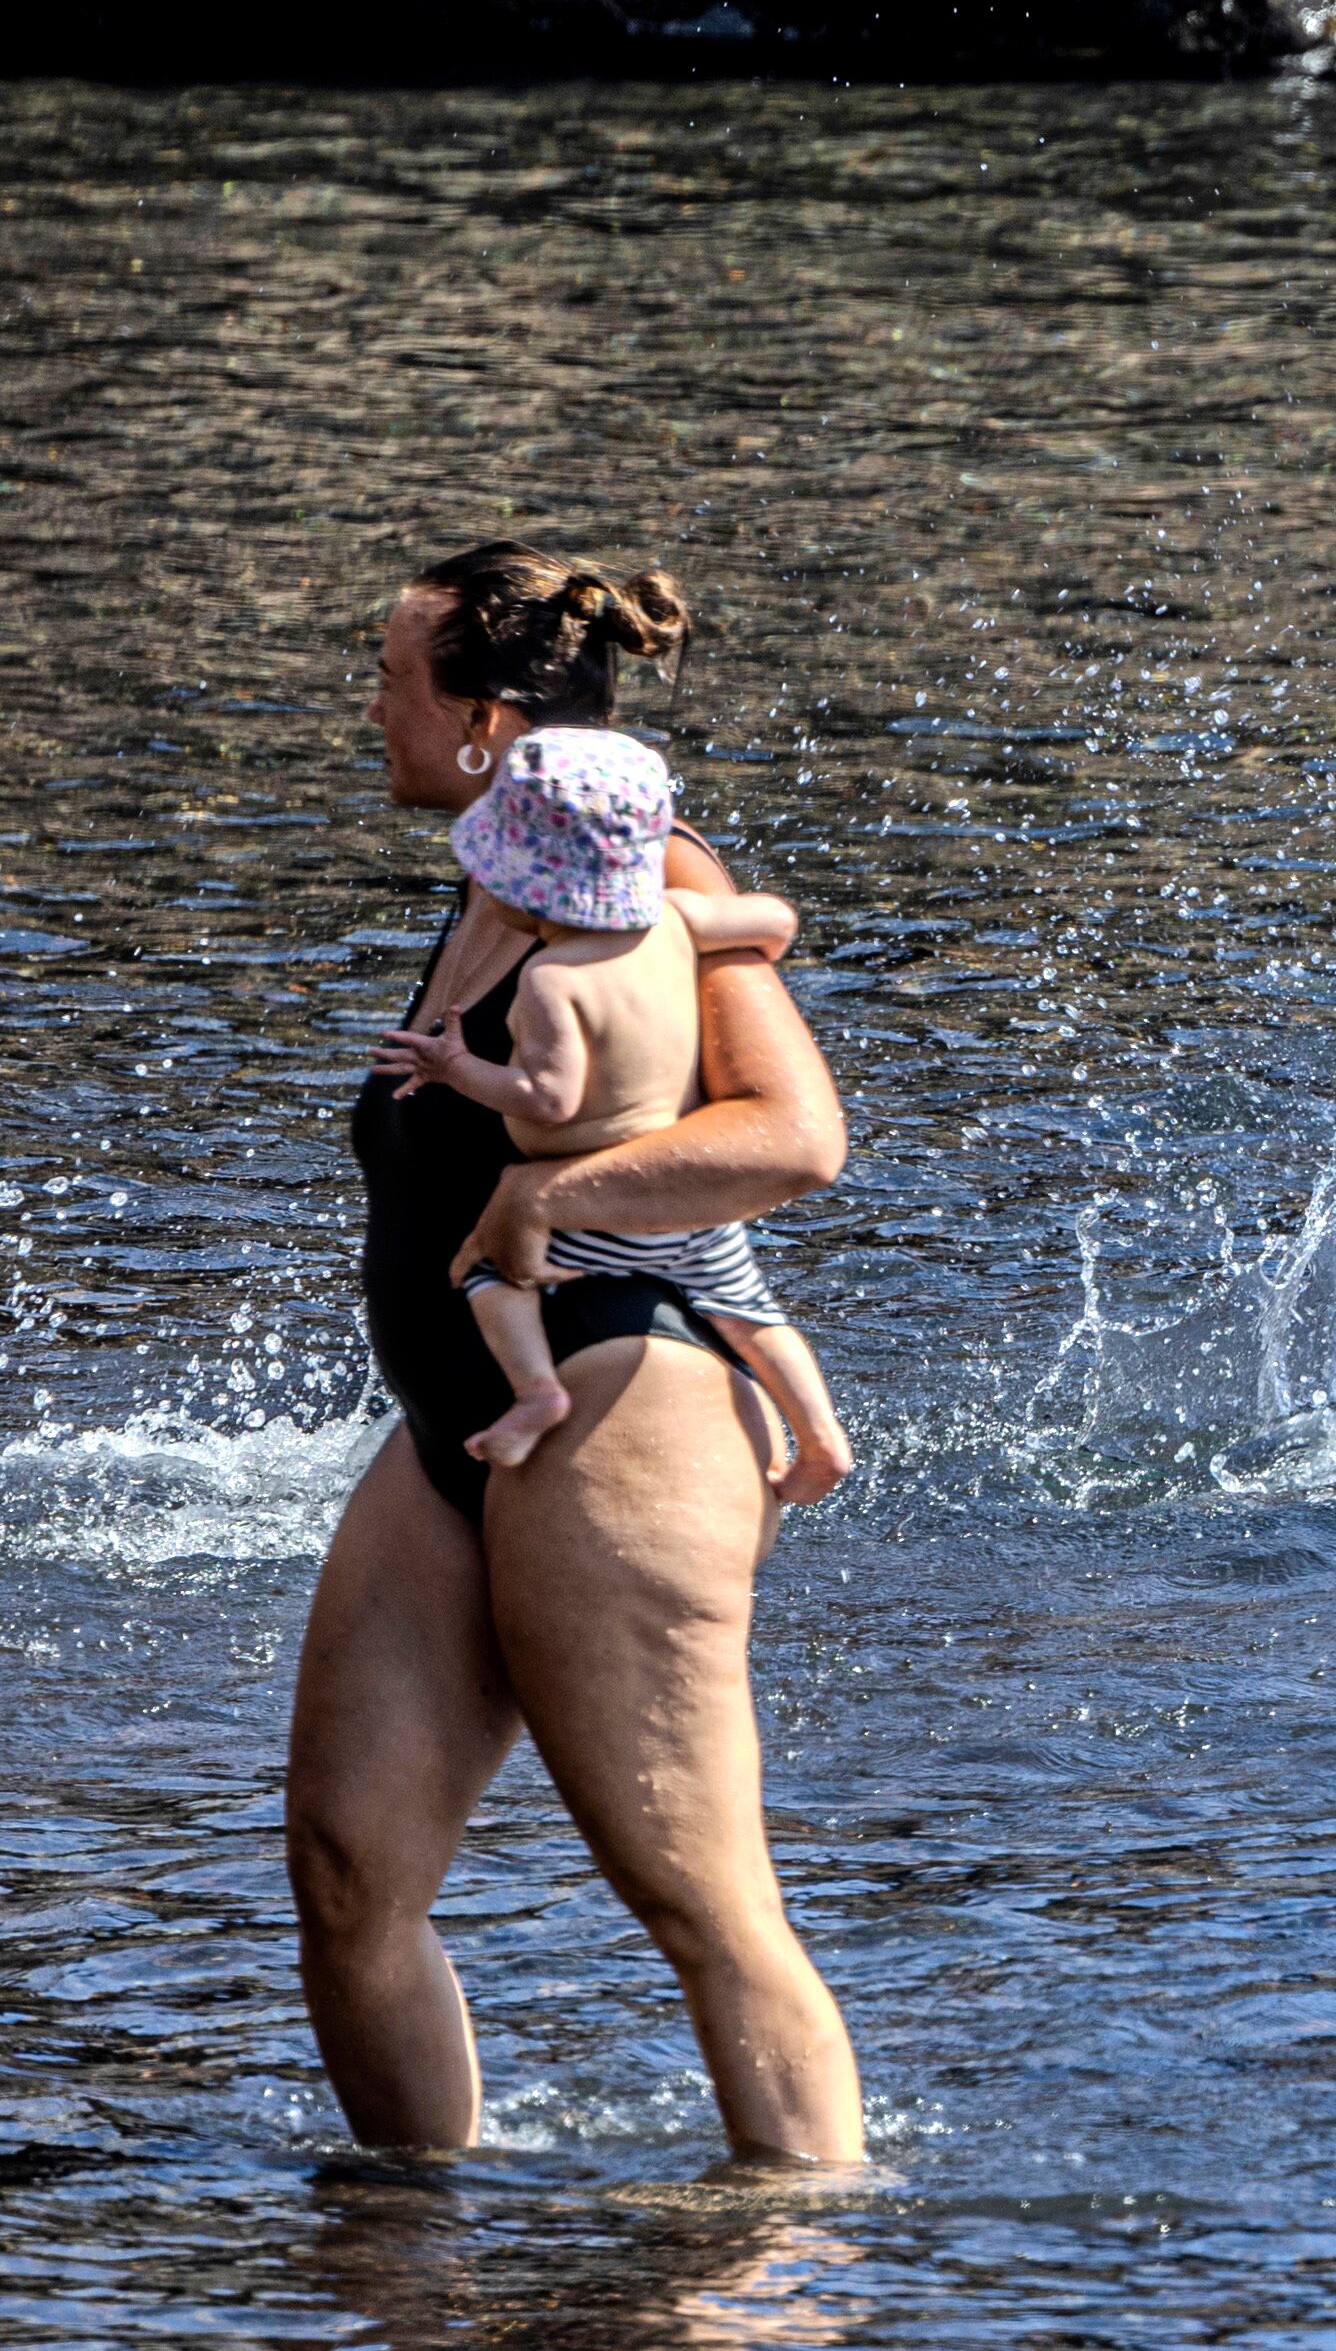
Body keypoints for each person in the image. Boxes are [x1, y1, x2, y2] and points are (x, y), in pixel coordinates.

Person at [296, 539, 864, 2162]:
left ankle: (793, 2265)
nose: (372, 706)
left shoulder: (655, 870)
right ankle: (415, 2251)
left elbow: (796, 1134)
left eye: (393, 675)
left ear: (485, 724)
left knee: (699, 1898)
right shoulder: (506, 874)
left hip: (619, 1396)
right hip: (457, 1429)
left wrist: (555, 1188)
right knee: (348, 1871)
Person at [368, 727, 850, 1485]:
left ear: (525, 883)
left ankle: (538, 1392)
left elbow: (549, 1099)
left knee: (489, 1272)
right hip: (687, 1213)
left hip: (591, 1219)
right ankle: (820, 1437)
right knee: (749, 1314)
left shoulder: (550, 979)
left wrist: (458, 1069)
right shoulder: (675, 923)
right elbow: (778, 922)